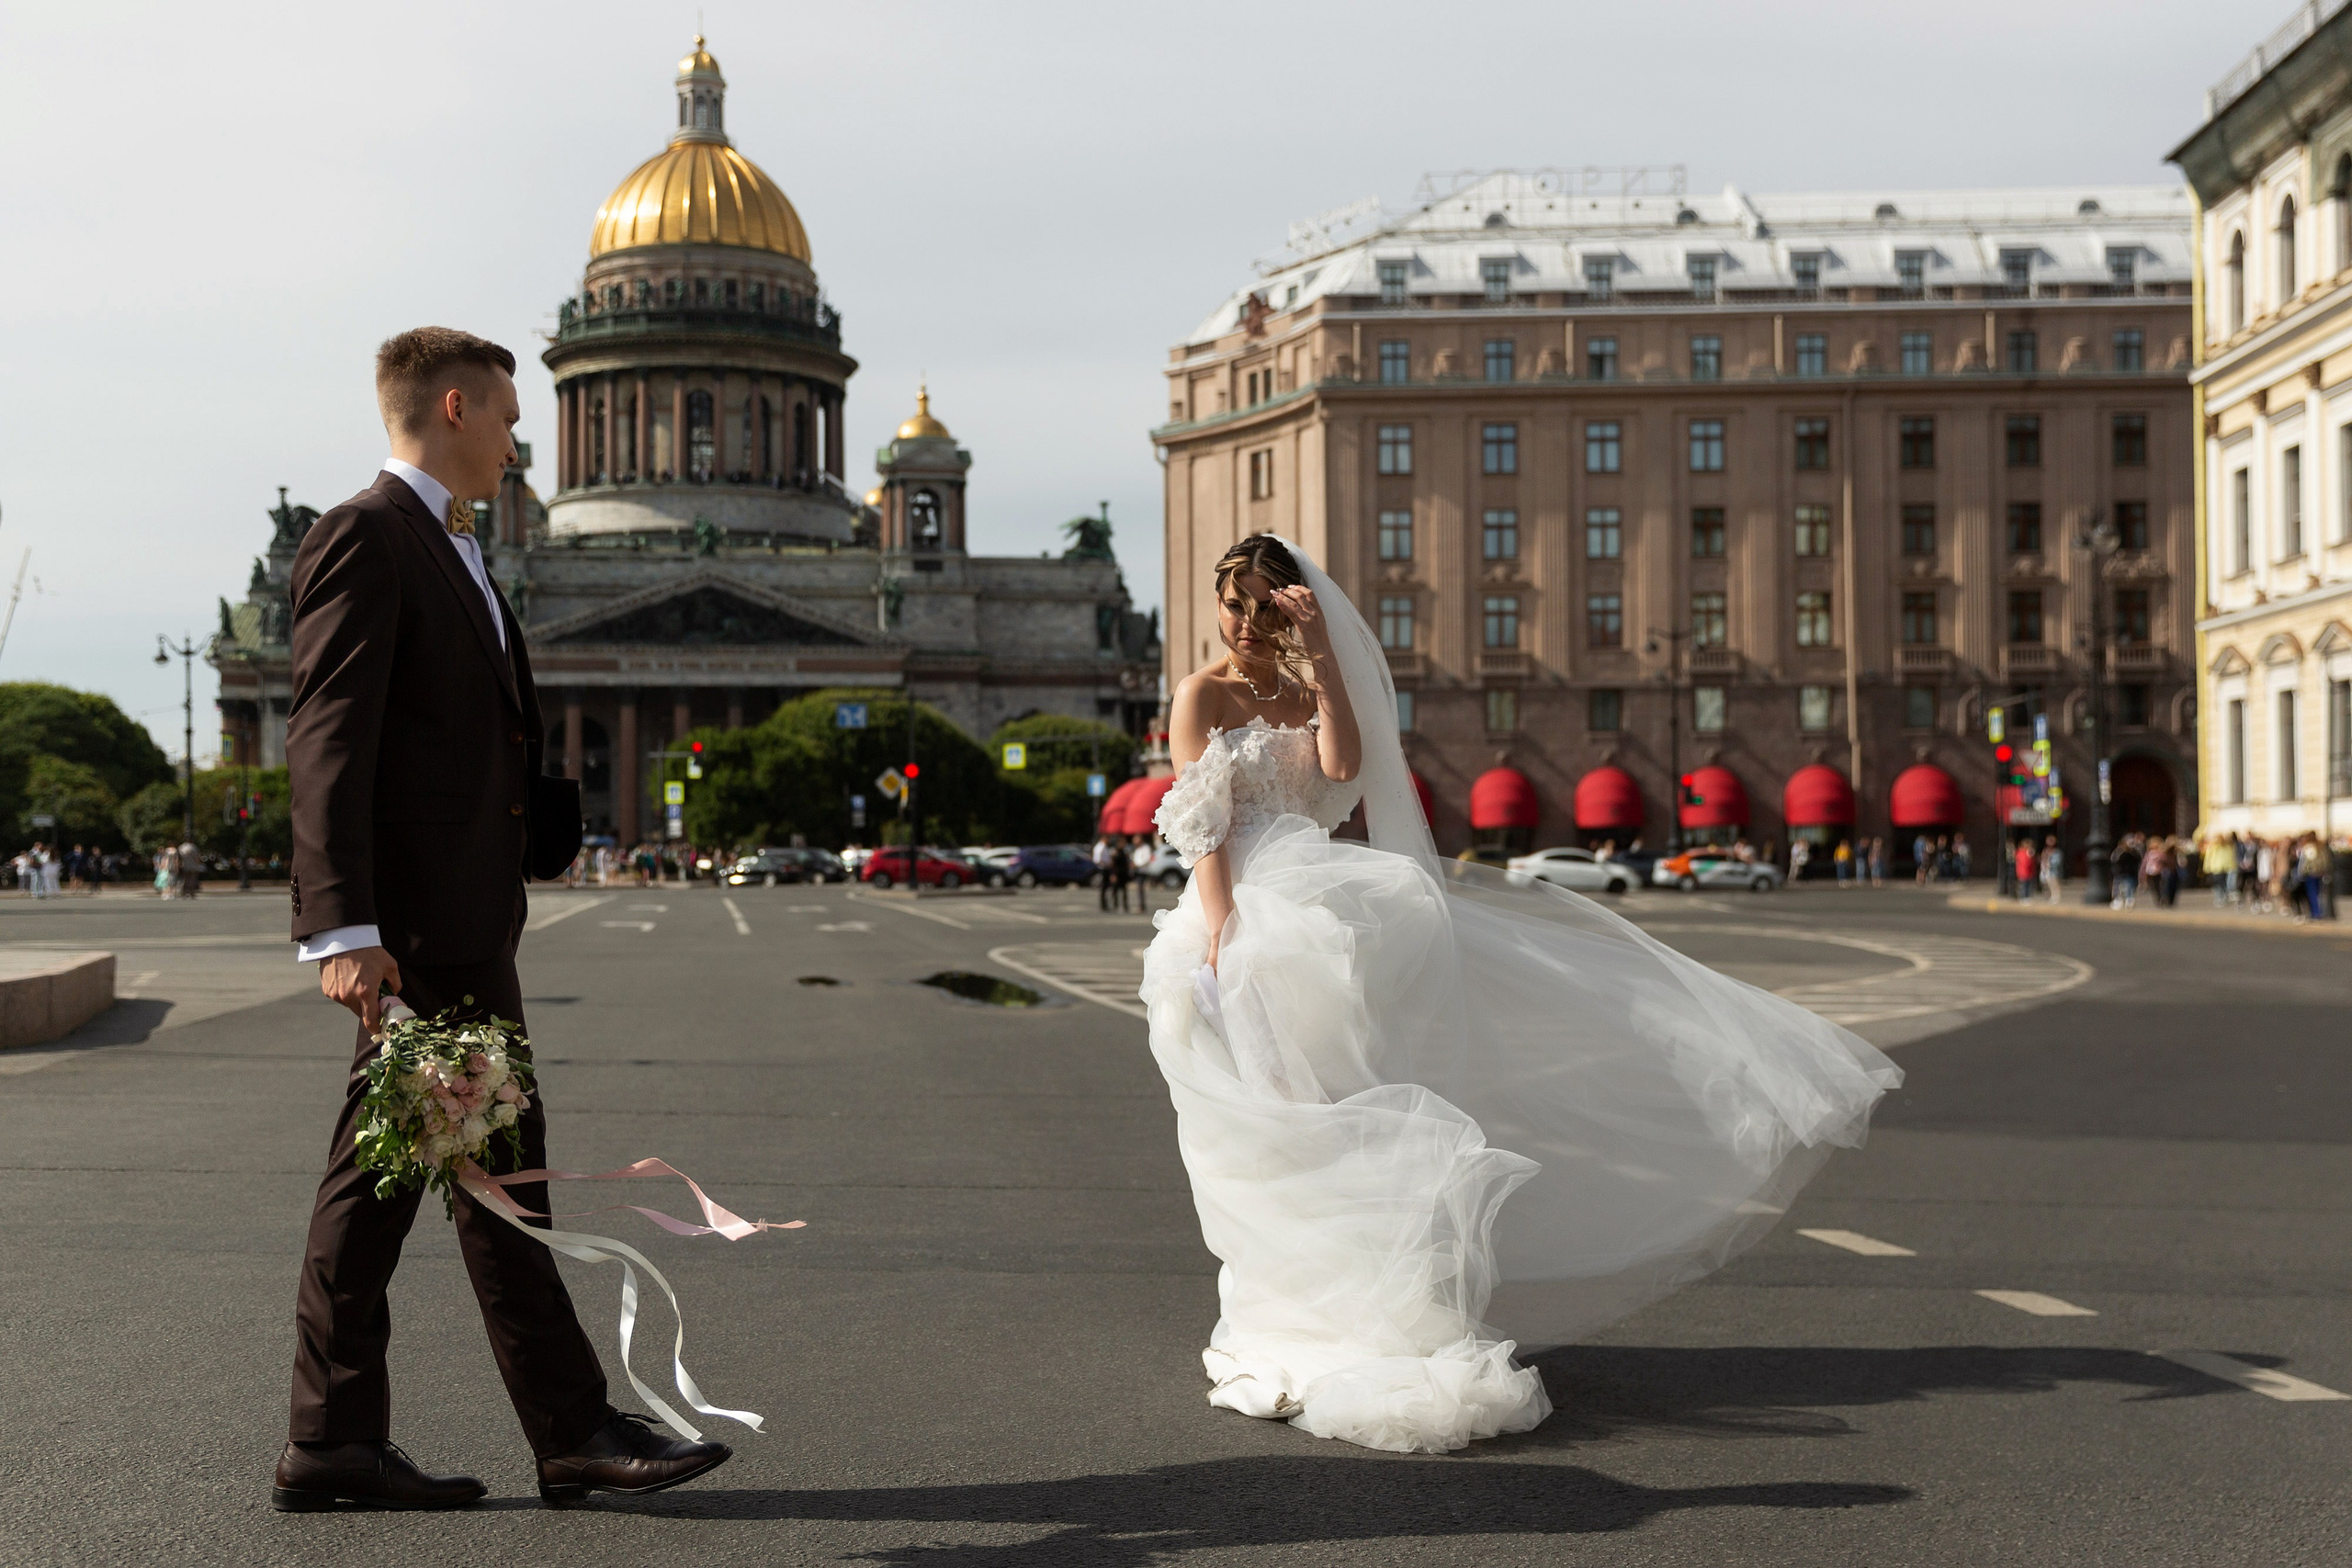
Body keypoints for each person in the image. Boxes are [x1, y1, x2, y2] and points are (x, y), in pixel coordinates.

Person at [1141, 534, 1896, 1454]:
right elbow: (1205, 828)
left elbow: (1342, 771)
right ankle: (1284, 1314)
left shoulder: (1305, 690)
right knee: (1261, 1134)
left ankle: (1351, 1317)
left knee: (1332, 1115)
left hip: (1324, 927)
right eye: (1234, 604)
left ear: (1292, 608)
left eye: (1266, 606)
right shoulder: (1200, 694)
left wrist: (1327, 656)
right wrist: (1222, 942)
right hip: (1248, 925)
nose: (1246, 622)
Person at [275, 329, 727, 1512]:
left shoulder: (453, 544)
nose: (524, 443)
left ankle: (348, 1439)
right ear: (458, 407)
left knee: (434, 1181)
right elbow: (329, 742)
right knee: (466, 1181)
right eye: (515, 419)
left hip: (459, 916)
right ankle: (558, 1427)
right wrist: (342, 927)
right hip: (422, 932)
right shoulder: (369, 535)